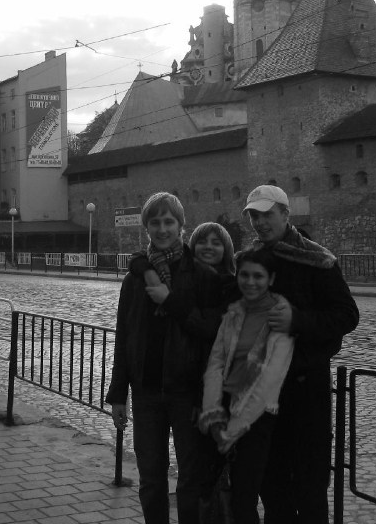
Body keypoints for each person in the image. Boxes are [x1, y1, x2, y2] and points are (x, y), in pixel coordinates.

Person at [242, 184, 359, 524]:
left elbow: (346, 315)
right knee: (270, 478)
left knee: (309, 482)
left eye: (267, 215)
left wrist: (298, 320)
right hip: (263, 388)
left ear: (285, 214)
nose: (260, 223)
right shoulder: (249, 260)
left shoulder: (318, 260)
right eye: (254, 216)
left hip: (305, 387)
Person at [106, 192, 222, 524]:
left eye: (168, 221)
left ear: (181, 225)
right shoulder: (135, 278)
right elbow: (124, 338)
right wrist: (118, 395)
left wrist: (206, 397)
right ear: (147, 227)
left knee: (189, 477)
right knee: (152, 478)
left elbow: (211, 337)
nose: (162, 229)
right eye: (155, 222)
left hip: (186, 392)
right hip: (146, 393)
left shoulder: (202, 276)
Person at [199, 249, 295, 524]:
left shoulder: (280, 315)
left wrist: (234, 429)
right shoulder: (234, 313)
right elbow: (216, 364)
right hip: (226, 410)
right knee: (221, 494)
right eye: (244, 275)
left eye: (258, 276)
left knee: (244, 497)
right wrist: (213, 414)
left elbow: (272, 376)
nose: (250, 282)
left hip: (258, 416)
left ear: (271, 278)